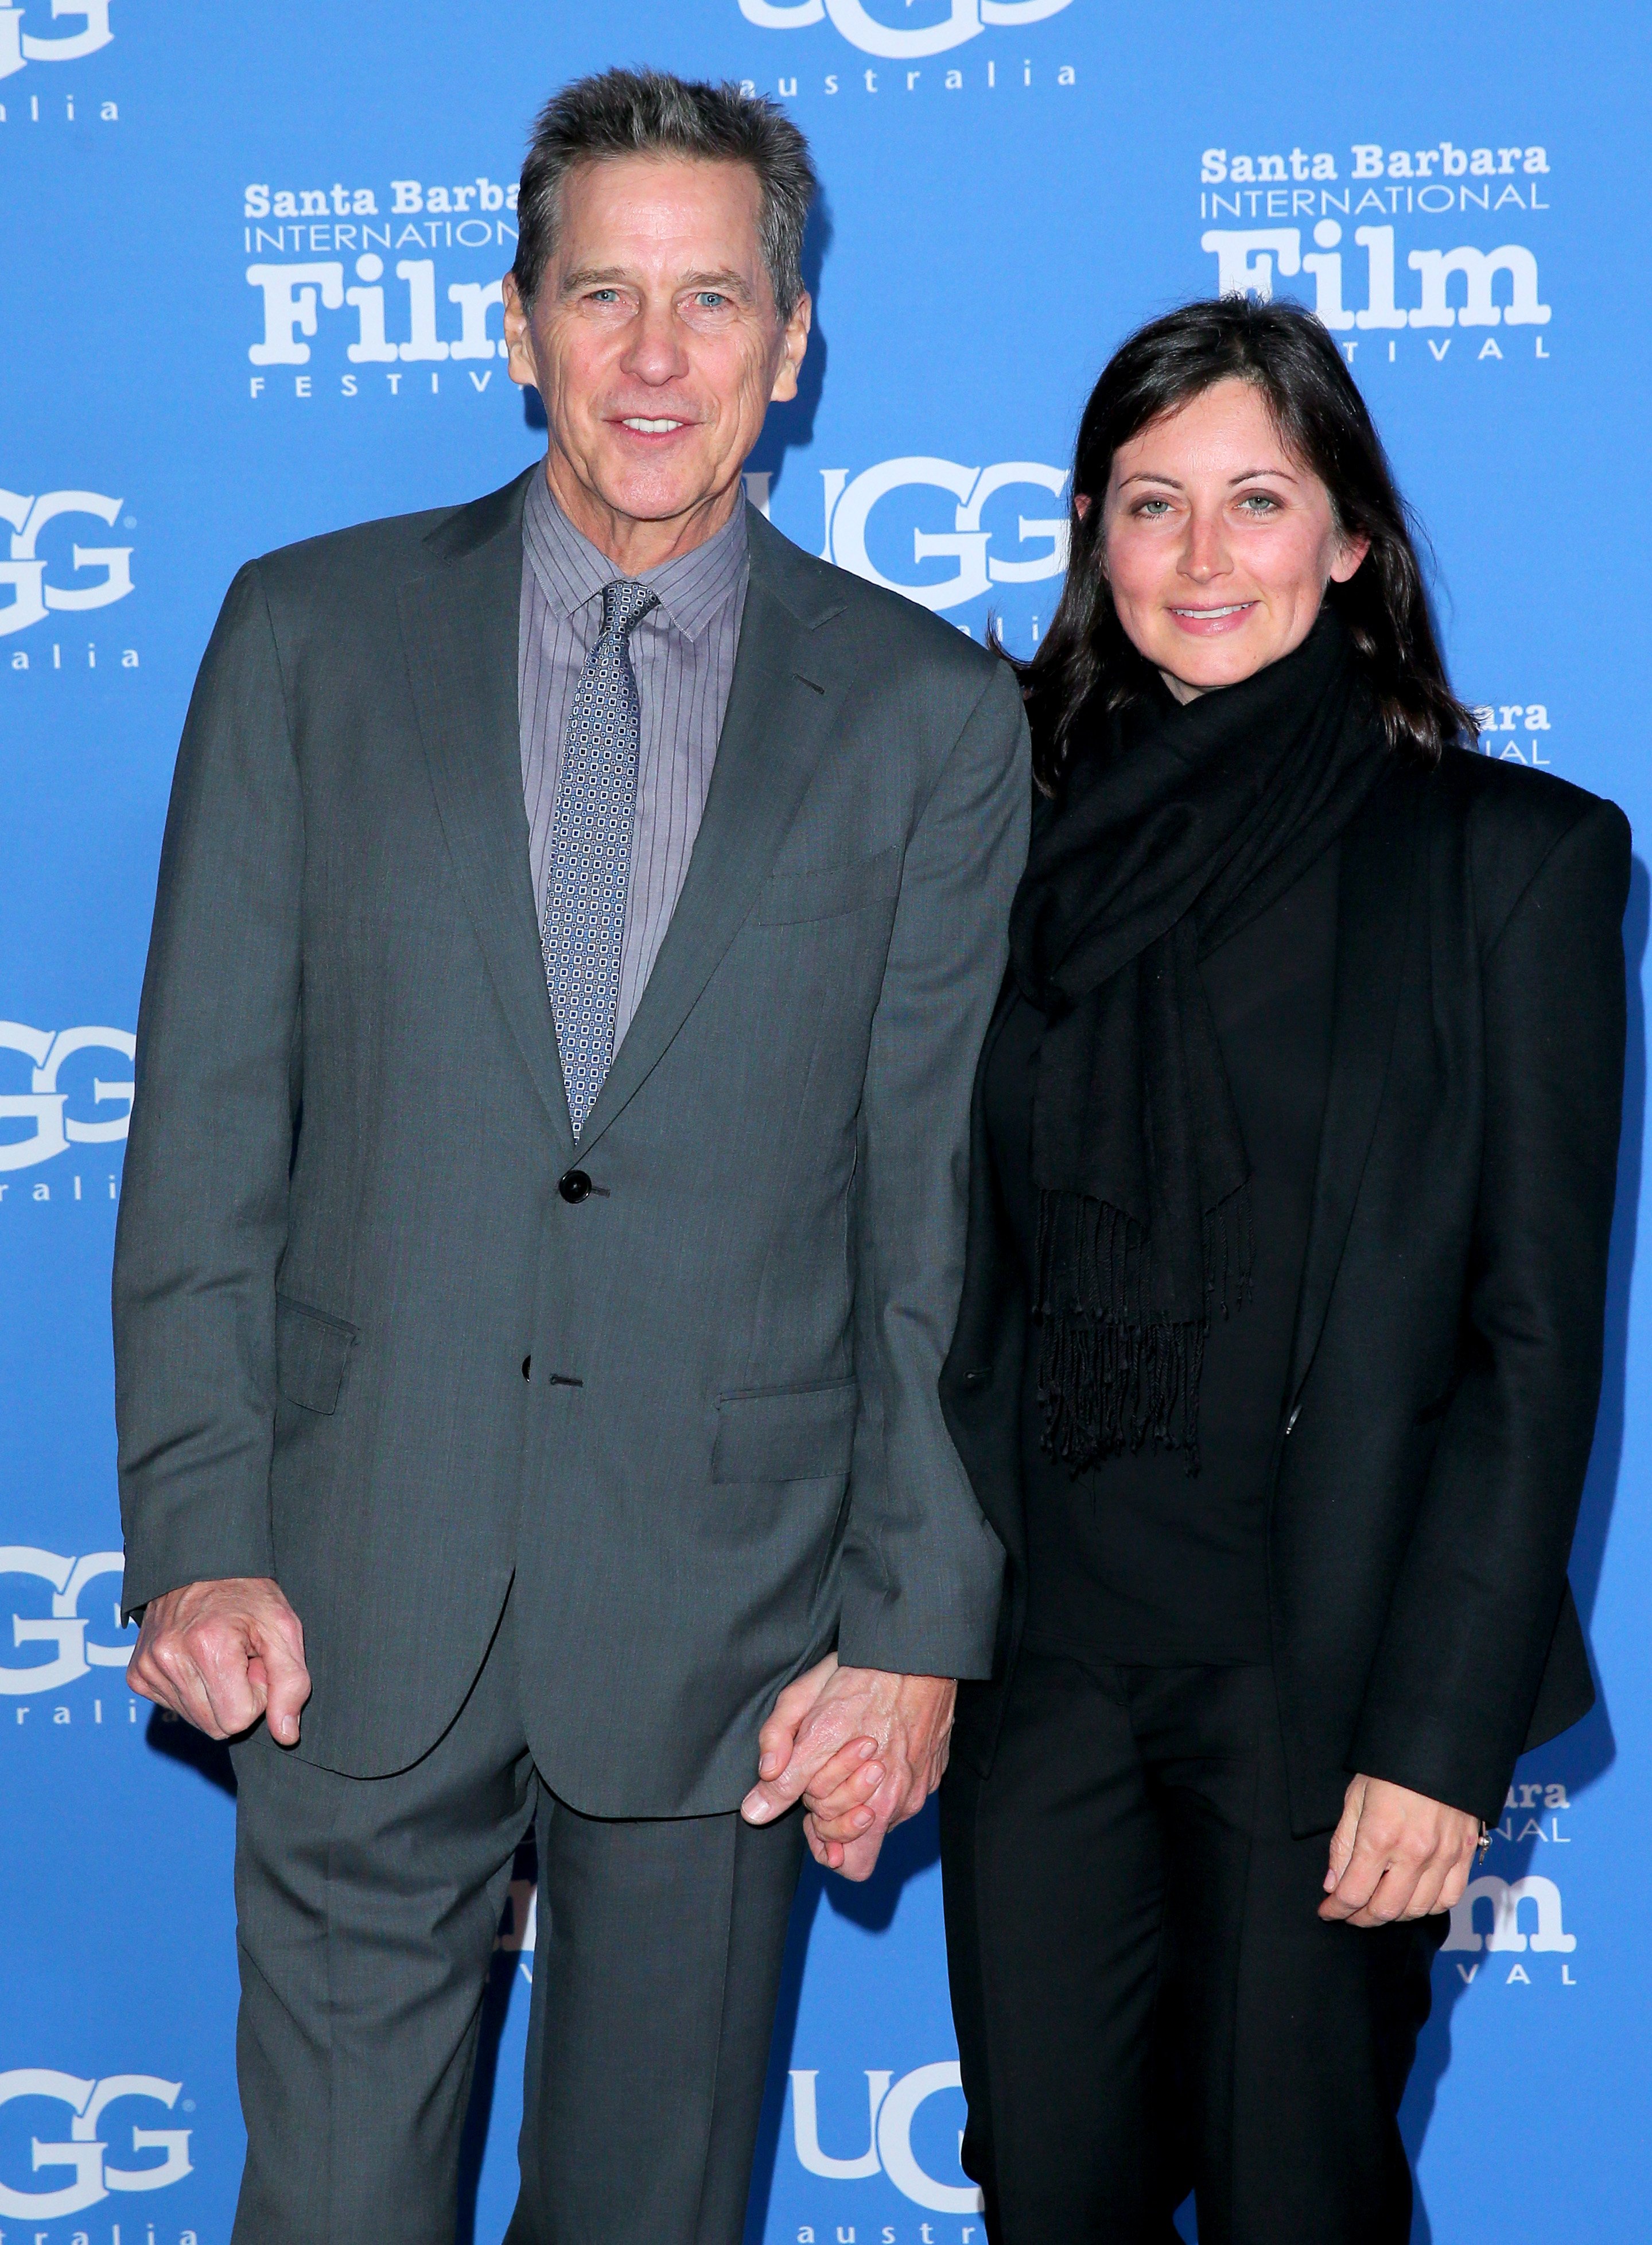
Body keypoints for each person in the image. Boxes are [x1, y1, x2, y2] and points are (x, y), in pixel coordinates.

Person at [114, 68, 1028, 2245]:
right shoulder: (305, 639)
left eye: (711, 299)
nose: (651, 357)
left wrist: (911, 1631)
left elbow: (934, 1225)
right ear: (512, 323)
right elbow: (209, 1128)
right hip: (345, 1591)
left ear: (793, 342)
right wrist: (197, 1536)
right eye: (598, 293)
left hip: (734, 1636)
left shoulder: (928, 719)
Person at [932, 298, 1629, 2244]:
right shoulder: (994, 849)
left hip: (1324, 1687)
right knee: (1049, 2197)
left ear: (1352, 541)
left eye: (1259, 499)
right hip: (1044, 1669)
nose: (1205, 555)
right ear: (1094, 537)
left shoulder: (1518, 864)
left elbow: (1534, 1346)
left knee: (1294, 2198)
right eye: (1153, 505)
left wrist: (1436, 1740)